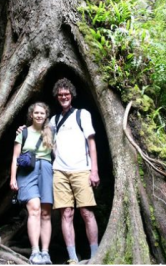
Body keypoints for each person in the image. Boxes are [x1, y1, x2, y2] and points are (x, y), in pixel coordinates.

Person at [50, 78, 99, 264]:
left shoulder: (82, 114)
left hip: (81, 170)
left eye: (66, 93)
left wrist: (94, 170)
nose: (64, 96)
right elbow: (43, 136)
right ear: (57, 96)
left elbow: (91, 143)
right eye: (60, 94)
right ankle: (72, 258)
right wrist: (22, 130)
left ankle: (95, 255)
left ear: (72, 94)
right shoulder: (54, 120)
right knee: (66, 214)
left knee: (86, 212)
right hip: (60, 172)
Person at [11, 102, 55, 265]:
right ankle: (35, 251)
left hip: (46, 170)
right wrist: (13, 178)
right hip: (27, 172)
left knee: (45, 213)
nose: (39, 115)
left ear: (46, 115)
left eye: (42, 113)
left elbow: (57, 151)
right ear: (31, 115)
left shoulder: (51, 132)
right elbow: (15, 157)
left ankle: (45, 253)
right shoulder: (23, 133)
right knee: (34, 209)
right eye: (36, 113)